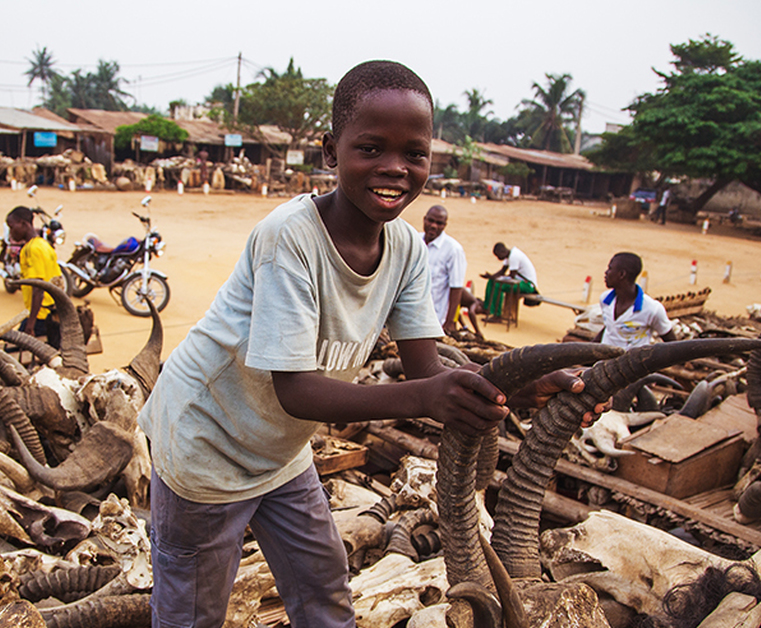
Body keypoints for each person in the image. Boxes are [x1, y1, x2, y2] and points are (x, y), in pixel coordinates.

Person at [137, 60, 592, 628]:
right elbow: (297, 390)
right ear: (330, 151)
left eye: (415, 154)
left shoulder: (404, 247)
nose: (395, 169)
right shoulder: (290, 238)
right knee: (193, 610)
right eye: (371, 149)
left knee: (323, 586)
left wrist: (521, 389)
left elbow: (427, 365)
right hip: (208, 439)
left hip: (277, 451)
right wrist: (425, 400)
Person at [6, 206, 63, 349]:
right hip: (52, 314)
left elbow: (38, 287)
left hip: (40, 316)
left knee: (12, 353)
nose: (11, 232)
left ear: (23, 224)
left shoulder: (31, 250)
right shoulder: (44, 244)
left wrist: (30, 325)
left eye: (12, 227)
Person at [596, 252, 677, 348]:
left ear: (622, 274)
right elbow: (610, 328)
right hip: (605, 361)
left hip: (632, 362)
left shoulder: (652, 309)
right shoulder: (605, 300)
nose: (606, 273)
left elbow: (671, 342)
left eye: (610, 269)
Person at [420, 204, 467, 334]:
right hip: (409, 315)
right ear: (424, 219)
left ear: (444, 225)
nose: (434, 226)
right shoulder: (415, 241)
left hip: (435, 319)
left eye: (439, 223)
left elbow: (456, 288)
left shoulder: (453, 249)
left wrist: (450, 321)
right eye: (431, 220)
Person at [481, 242, 538, 318]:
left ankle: (497, 314)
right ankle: (488, 308)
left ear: (502, 252)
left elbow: (512, 275)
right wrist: (491, 277)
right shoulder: (508, 256)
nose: (498, 258)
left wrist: (500, 279)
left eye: (498, 256)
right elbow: (502, 271)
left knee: (498, 286)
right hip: (519, 282)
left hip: (527, 285)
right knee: (492, 282)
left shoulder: (514, 256)